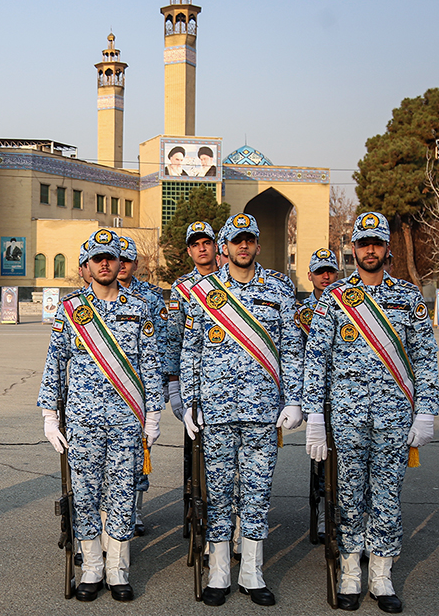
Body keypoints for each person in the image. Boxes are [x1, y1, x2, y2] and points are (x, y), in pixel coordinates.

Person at [303, 212, 439, 613]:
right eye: (364, 244)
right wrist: (314, 415)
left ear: (386, 250)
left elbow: (425, 357)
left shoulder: (409, 298)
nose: (370, 250)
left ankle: (381, 576)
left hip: (394, 415)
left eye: (377, 243)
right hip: (347, 417)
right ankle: (349, 573)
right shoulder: (335, 299)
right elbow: (317, 359)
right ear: (354, 250)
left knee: (386, 497)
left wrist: (426, 410)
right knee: (347, 495)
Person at [180, 213, 303, 607]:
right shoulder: (204, 292)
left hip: (263, 411)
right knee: (216, 494)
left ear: (257, 245)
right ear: (225, 248)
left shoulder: (280, 289)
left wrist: (294, 399)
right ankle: (219, 573)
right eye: (236, 241)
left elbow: (291, 350)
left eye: (249, 240)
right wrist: (189, 402)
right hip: (215, 411)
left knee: (257, 493)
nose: (243, 246)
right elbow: (191, 351)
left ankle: (251, 573)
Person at [38, 228, 164, 602]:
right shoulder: (70, 309)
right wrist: (49, 414)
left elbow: (151, 366)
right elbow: (55, 362)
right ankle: (92, 568)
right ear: (87, 267)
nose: (106, 263)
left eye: (111, 257)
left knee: (123, 495)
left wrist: (153, 415)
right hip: (83, 421)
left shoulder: (139, 308)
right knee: (87, 495)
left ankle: (118, 569)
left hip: (127, 422)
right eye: (98, 259)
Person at [167, 221, 219, 536]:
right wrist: (174, 386)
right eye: (195, 243)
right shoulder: (181, 289)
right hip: (193, 381)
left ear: (216, 246)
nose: (202, 247)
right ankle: (192, 504)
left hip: (225, 383)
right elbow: (174, 338)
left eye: (206, 242)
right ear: (189, 251)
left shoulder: (229, 284)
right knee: (194, 450)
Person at [117, 235, 168, 536]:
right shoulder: (92, 295)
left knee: (139, 452)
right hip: (108, 388)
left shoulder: (150, 297)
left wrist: (158, 390)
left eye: (127, 259)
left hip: (138, 390)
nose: (121, 265)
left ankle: (134, 508)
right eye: (117, 258)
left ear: (136, 263)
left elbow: (160, 343)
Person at [295, 248, 340, 543]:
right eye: (320, 271)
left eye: (331, 271)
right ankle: (323, 513)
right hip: (315, 393)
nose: (326, 276)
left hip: (343, 393)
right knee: (322, 462)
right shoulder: (302, 314)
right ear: (309, 276)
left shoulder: (349, 306)